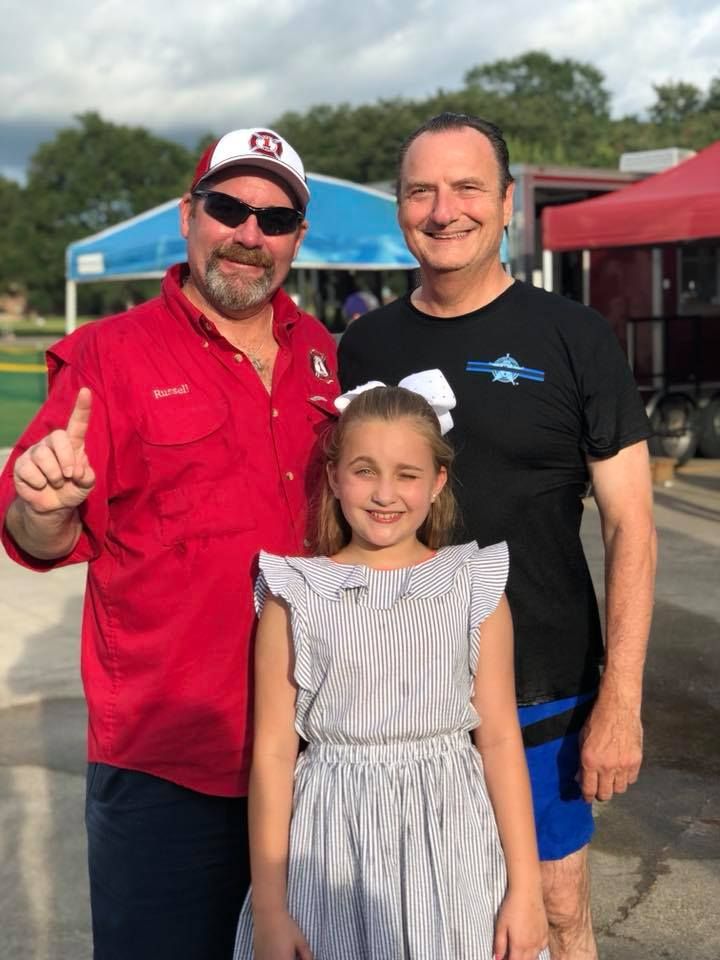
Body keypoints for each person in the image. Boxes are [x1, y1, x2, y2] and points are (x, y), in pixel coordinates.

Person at [0, 127, 339, 960]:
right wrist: (44, 503)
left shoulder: (327, 358)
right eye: (228, 208)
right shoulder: (107, 358)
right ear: (189, 217)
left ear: (297, 238)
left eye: (275, 218)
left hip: (317, 753)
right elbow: (35, 534)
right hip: (168, 764)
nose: (249, 235)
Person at [338, 112, 657, 960]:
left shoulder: (574, 337)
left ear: (508, 203)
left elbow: (632, 524)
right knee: (411, 910)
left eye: (468, 187)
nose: (444, 210)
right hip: (400, 691)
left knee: (552, 909)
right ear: (400, 208)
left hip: (540, 685)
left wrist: (620, 702)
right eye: (421, 191)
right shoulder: (364, 344)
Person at [233, 374, 549, 960]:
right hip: (329, 847)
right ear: (333, 476)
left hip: (453, 843)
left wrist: (526, 891)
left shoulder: (472, 584)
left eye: (407, 474)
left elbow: (501, 739)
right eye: (364, 470)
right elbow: (274, 754)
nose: (385, 494)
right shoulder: (294, 592)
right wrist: (272, 912)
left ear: (437, 482)